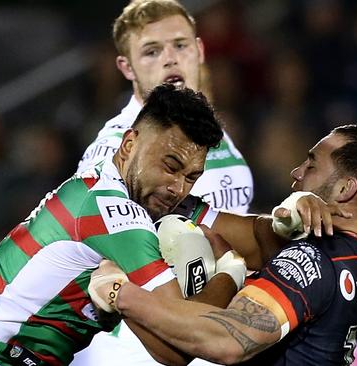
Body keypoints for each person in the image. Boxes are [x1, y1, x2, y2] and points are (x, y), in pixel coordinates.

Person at [0, 84, 224, 366]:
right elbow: (182, 345)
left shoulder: (101, 189)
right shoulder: (116, 212)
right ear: (128, 144)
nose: (178, 188)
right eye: (170, 166)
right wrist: (229, 270)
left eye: (192, 177)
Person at [90, 123, 357, 365]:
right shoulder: (351, 267)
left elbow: (229, 339)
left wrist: (122, 294)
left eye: (311, 165)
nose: (297, 172)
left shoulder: (310, 260)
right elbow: (255, 236)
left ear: (344, 190)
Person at [74, 1, 253, 364]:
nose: (170, 59)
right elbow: (99, 265)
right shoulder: (118, 149)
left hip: (211, 333)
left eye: (180, 45)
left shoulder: (203, 131)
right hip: (140, 348)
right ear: (126, 67)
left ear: (200, 50)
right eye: (152, 51)